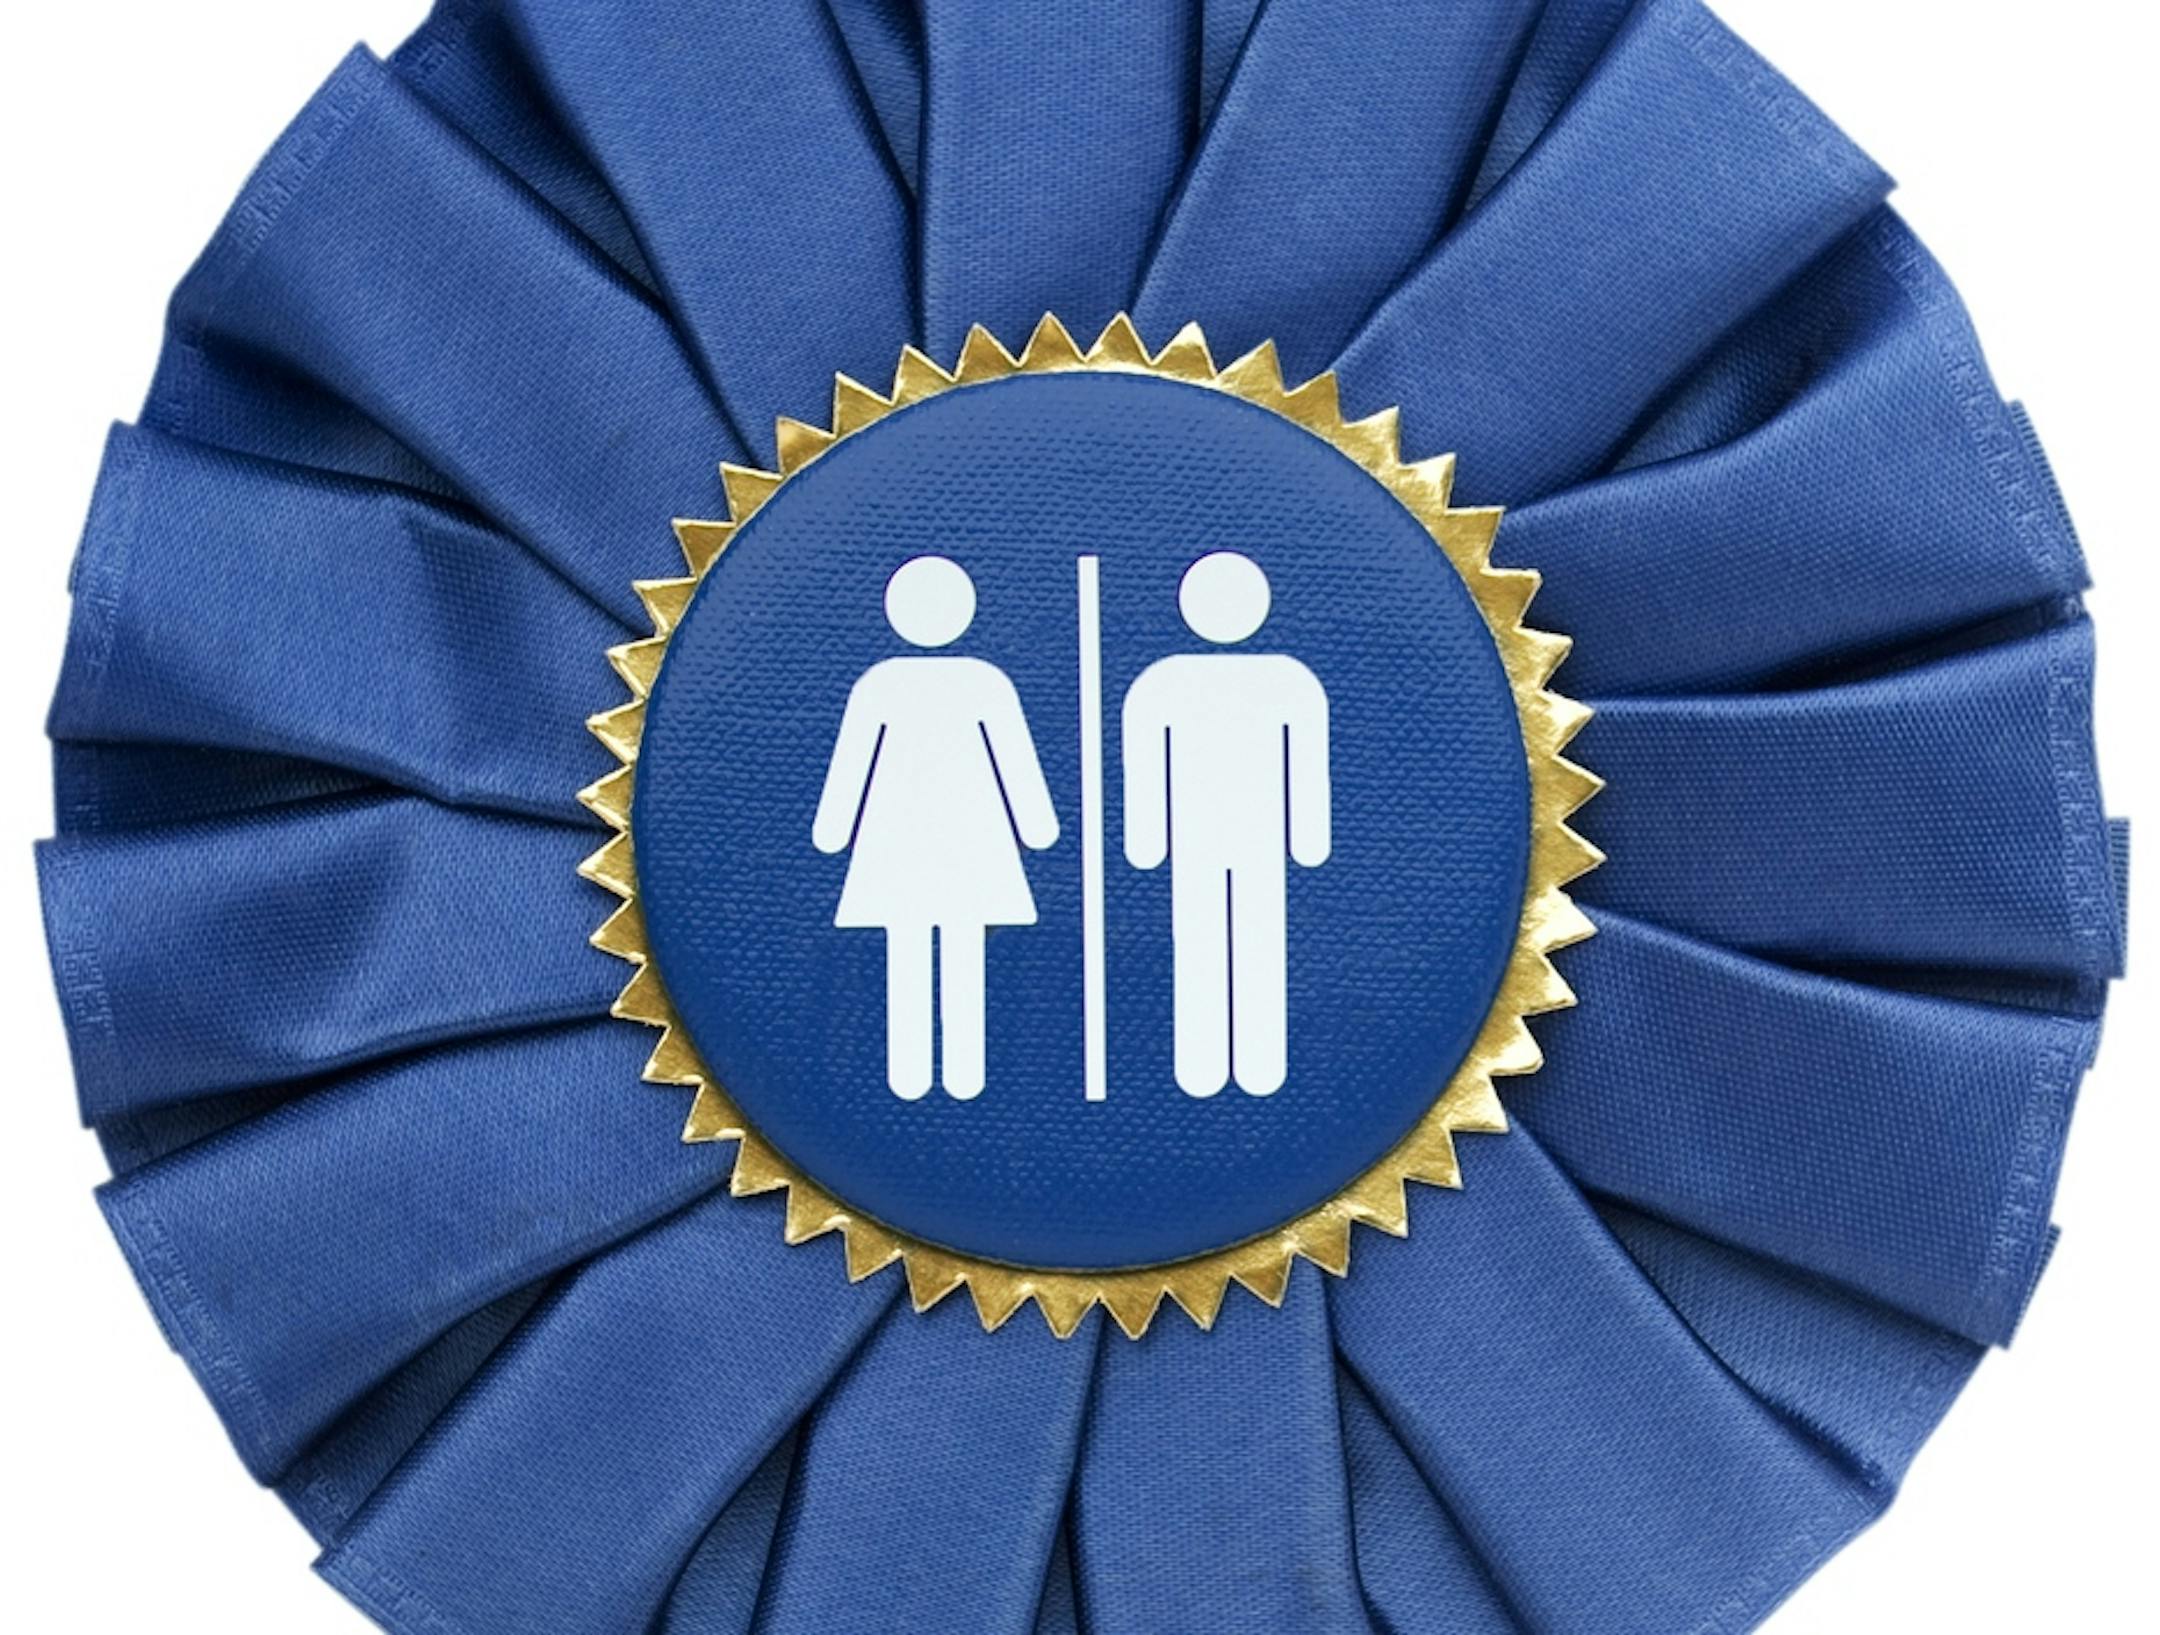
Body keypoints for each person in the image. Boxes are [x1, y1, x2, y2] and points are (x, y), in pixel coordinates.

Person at [812, 555, 1059, 1099]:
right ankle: (952, 1072)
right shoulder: (978, 684)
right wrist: (1036, 827)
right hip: (958, 841)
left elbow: (853, 768)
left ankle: (920, 1072)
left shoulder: (888, 685)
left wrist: (835, 829)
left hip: (914, 842)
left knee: (921, 950)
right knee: (950, 950)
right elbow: (1013, 765)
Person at [1122, 551, 1330, 1096]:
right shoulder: (1163, 684)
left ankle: (1254, 1061)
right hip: (1200, 837)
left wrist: (1308, 838)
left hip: (1253, 836)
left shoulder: (1288, 683)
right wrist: (1146, 839)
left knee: (1246, 937)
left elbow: (1304, 767)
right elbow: (1148, 767)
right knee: (1203, 939)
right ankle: (1204, 1061)